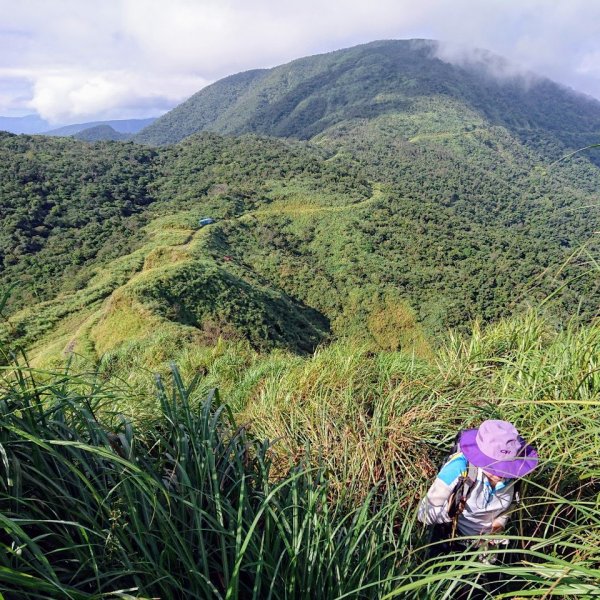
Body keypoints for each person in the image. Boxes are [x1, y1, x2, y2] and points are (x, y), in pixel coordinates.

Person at [418, 419, 538, 555]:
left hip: (488, 548)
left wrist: (496, 530)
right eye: (494, 466)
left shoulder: (515, 476)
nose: (502, 474)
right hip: (453, 540)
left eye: (507, 467)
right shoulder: (459, 469)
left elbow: (508, 509)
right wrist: (449, 511)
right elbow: (423, 514)